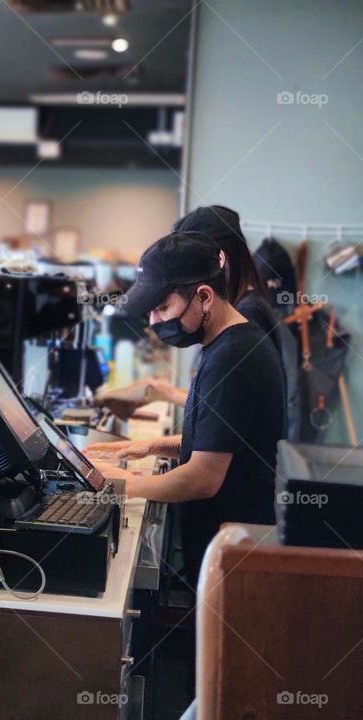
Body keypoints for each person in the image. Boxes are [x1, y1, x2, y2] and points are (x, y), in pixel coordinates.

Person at [86, 232, 286, 586]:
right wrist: (150, 446)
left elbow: (202, 478)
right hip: (220, 537)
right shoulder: (226, 343)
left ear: (204, 296)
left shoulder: (233, 358)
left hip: (232, 551)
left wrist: (122, 485)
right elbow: (220, 438)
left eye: (162, 308)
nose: (154, 321)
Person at [110, 205, 282, 411]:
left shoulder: (246, 316)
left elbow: (227, 408)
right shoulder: (240, 310)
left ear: (219, 258)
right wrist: (165, 393)